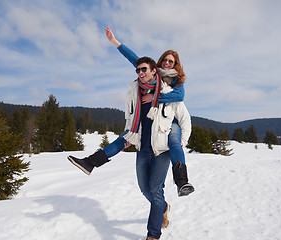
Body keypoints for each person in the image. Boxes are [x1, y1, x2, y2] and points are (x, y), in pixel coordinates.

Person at [67, 28, 194, 197]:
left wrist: (154, 99)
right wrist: (114, 41)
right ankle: (90, 163)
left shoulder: (176, 80)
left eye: (171, 61)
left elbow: (180, 96)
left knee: (175, 143)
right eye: (164, 59)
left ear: (175, 64)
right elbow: (133, 57)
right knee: (125, 136)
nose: (166, 63)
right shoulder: (150, 70)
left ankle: (182, 181)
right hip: (149, 122)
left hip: (170, 121)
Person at [127, 56, 191, 239]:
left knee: (155, 189)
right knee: (144, 188)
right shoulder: (138, 93)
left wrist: (182, 140)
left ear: (154, 72)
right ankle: (163, 207)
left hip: (163, 149)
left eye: (144, 70)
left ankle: (153, 234)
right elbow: (130, 119)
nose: (141, 74)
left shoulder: (170, 92)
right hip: (143, 147)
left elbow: (185, 118)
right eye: (138, 71)